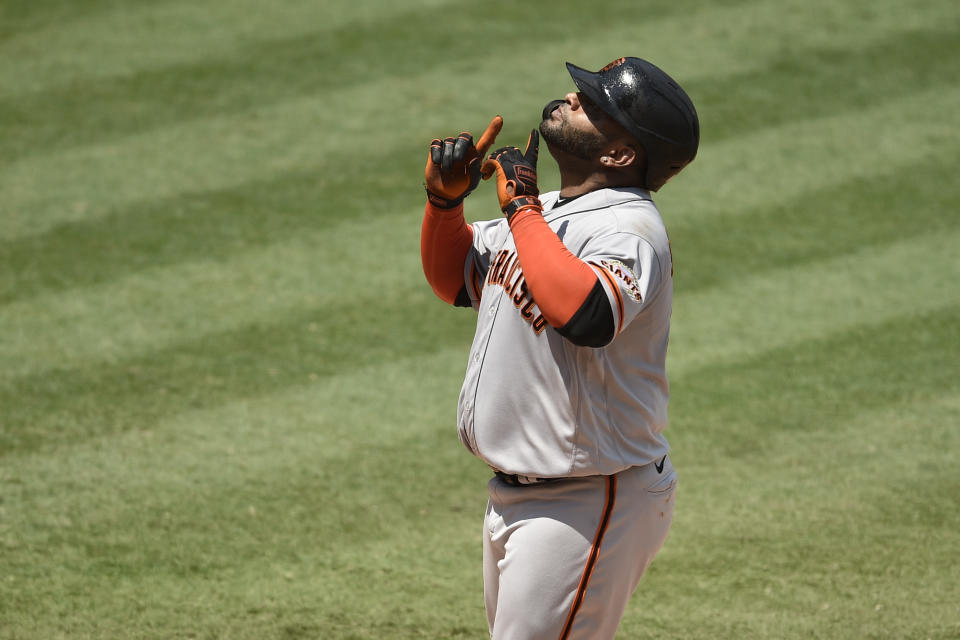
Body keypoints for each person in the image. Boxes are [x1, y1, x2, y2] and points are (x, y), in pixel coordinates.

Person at [420, 57, 699, 640]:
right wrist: (444, 205)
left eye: (592, 104)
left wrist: (521, 210)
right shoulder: (550, 212)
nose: (573, 97)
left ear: (619, 154)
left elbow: (588, 314)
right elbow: (457, 281)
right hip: (523, 496)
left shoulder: (629, 229)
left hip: (586, 502)